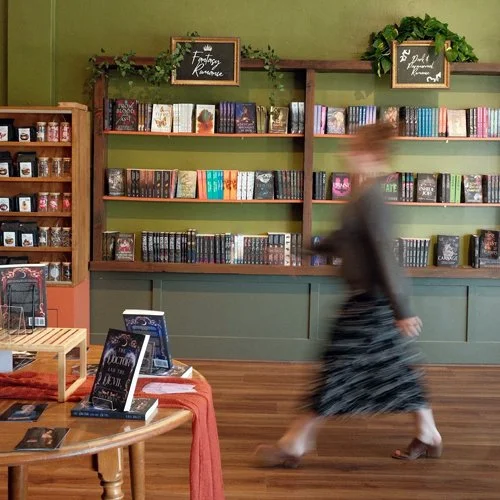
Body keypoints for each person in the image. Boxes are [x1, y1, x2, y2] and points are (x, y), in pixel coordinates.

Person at [254, 121, 442, 467]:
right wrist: (299, 250)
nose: (346, 153)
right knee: (392, 368)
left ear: (371, 154)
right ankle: (428, 432)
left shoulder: (371, 198)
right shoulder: (362, 194)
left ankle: (295, 442)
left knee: (339, 367)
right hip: (368, 299)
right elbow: (340, 240)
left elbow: (384, 252)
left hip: (371, 301)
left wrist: (402, 307)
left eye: (353, 148)